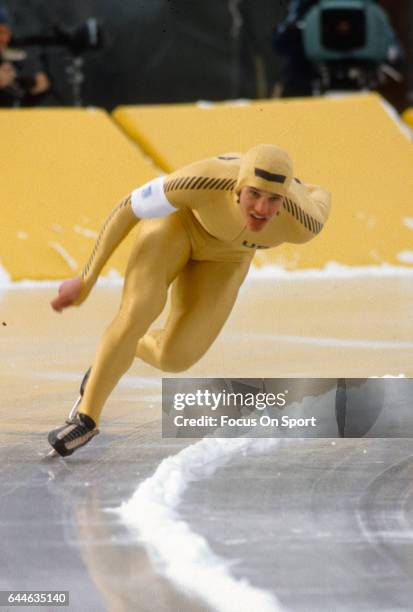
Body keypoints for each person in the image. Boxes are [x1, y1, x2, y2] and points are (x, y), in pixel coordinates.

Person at [47, 144, 331, 456]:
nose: (262, 209)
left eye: (273, 198)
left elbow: (321, 193)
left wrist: (303, 188)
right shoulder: (205, 181)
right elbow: (129, 207)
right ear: (238, 187)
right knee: (140, 309)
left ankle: (121, 351)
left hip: (226, 260)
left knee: (175, 357)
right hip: (177, 226)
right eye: (254, 194)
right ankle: (86, 418)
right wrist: (87, 279)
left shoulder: (303, 221)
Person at [0, 5, 51, 107]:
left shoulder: (15, 54)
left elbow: (41, 83)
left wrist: (29, 82)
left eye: (4, 32)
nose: (1, 38)